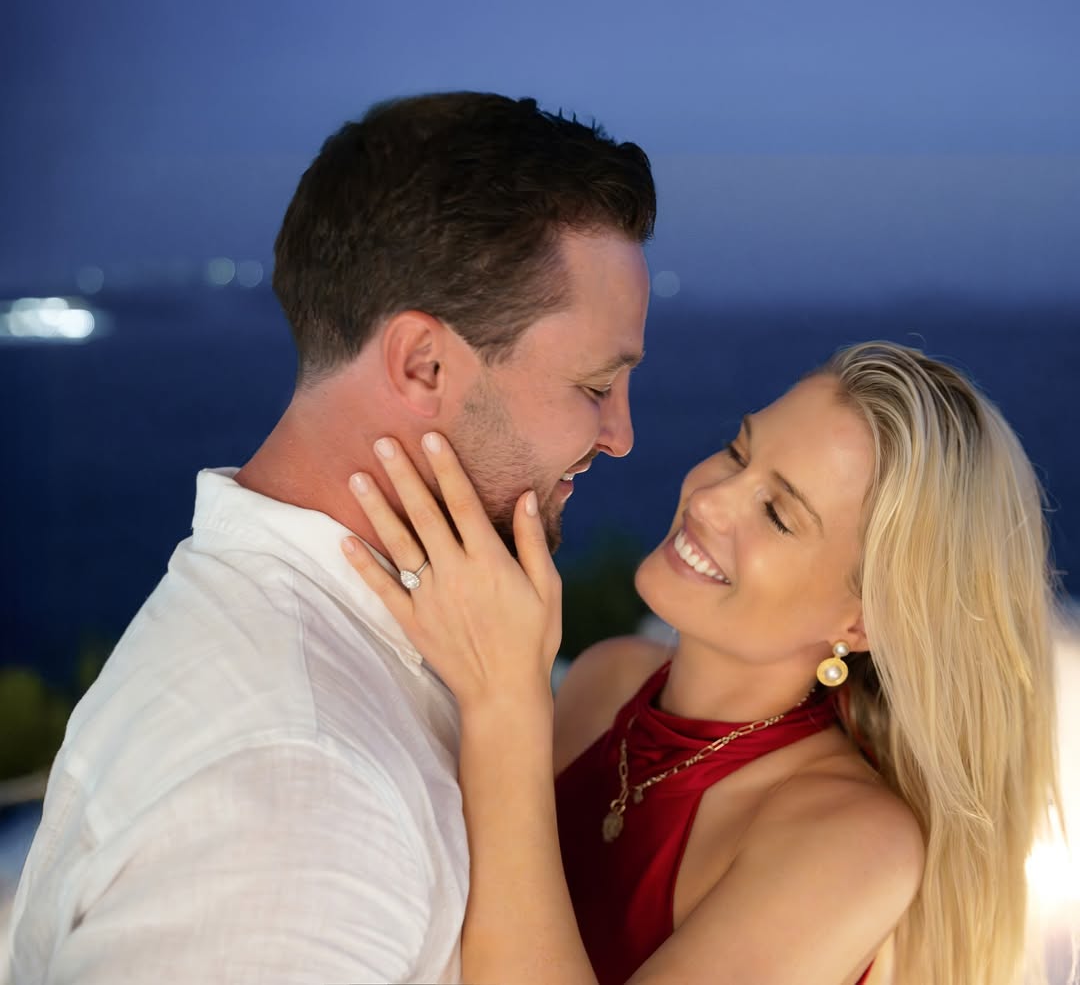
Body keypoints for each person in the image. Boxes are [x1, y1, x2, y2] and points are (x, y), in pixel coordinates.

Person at [9, 91, 656, 984]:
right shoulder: (298, 783)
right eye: (594, 386)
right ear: (423, 364)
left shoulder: (297, 640)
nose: (621, 436)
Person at [343, 341, 1063, 985]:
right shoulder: (606, 678)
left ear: (866, 619)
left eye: (778, 514)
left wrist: (505, 705)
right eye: (738, 453)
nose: (712, 499)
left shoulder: (855, 840)